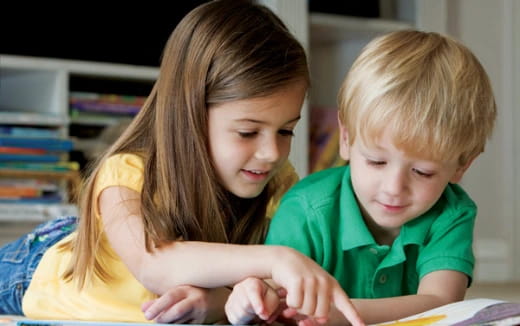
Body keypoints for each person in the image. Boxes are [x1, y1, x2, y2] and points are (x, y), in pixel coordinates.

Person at [0, 1, 365, 325]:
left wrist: (217, 301)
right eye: (247, 132)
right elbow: (156, 267)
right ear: (189, 116)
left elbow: (271, 296)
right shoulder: (125, 173)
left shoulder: (280, 184)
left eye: (286, 131)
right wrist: (277, 259)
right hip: (41, 267)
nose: (272, 152)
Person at [225, 29, 497, 325]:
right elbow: (276, 299)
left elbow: (441, 303)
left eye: (422, 172)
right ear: (346, 138)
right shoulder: (305, 210)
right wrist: (253, 297)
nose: (394, 188)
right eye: (377, 161)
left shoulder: (452, 212)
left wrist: (340, 314)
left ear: (462, 166)